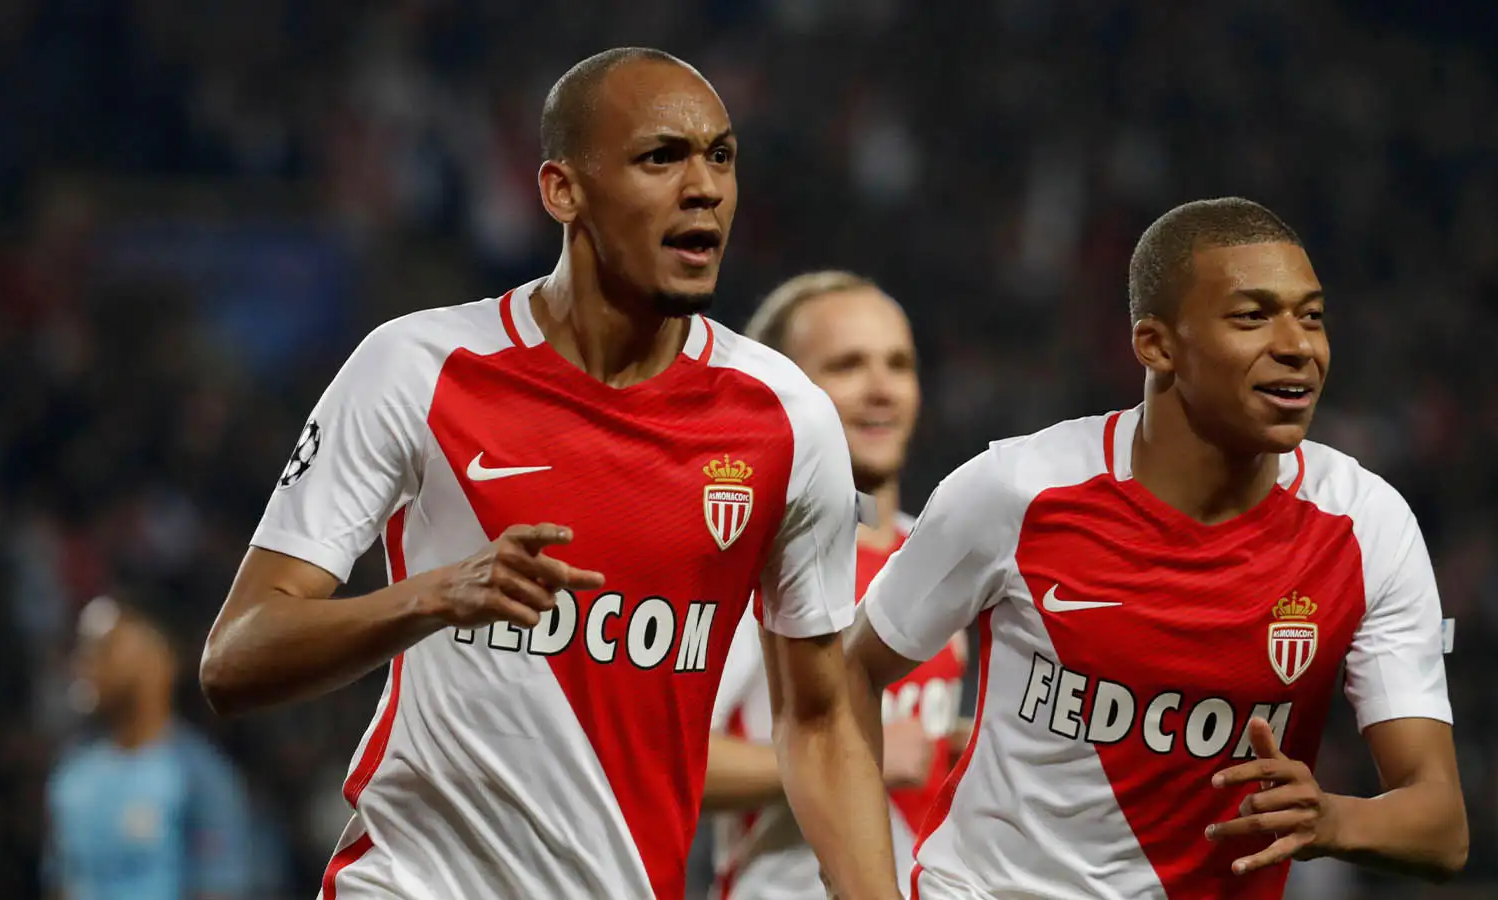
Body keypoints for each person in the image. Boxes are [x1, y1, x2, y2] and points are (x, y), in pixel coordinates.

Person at [199, 47, 899, 900]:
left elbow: (819, 723)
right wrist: (431, 597)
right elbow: (235, 659)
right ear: (563, 190)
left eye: (720, 156)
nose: (705, 188)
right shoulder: (417, 368)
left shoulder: (786, 420)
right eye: (661, 157)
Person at [845, 197, 1469, 898]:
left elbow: (1441, 825)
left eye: (1313, 316)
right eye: (1252, 316)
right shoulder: (1013, 492)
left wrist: (1333, 819)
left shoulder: (1367, 528)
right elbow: (846, 677)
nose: (1298, 345)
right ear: (1156, 345)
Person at [702, 272, 971, 898]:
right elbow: (665, 757)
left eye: (898, 364)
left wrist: (955, 750)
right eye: (848, 366)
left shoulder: (937, 554)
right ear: (780, 393)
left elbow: (913, 751)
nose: (882, 389)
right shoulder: (747, 562)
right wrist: (858, 757)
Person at [46, 596, 256, 900]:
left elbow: (219, 887)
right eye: (84, 648)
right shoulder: (72, 774)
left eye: (106, 646)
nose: (86, 662)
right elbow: (62, 882)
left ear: (159, 658)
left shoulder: (198, 777)